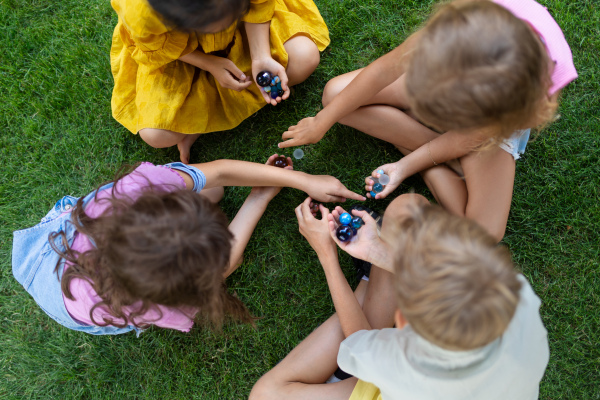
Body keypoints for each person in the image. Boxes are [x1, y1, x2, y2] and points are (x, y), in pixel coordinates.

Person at [279, 0, 578, 241]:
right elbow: (384, 70)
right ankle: (443, 155)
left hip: (493, 119)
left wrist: (406, 165)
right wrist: (322, 121)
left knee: (483, 234)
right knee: (335, 96)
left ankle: (425, 152)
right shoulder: (453, 31)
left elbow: (472, 135)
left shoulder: (515, 101)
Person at [12, 156, 364, 335]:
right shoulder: (140, 301)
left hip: (59, 236)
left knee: (214, 192)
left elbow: (221, 173)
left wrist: (303, 180)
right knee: (222, 240)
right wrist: (259, 196)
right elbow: (226, 263)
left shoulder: (134, 188)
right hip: (62, 293)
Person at [250, 194, 550, 400]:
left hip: (394, 388)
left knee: (265, 394)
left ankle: (367, 285)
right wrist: (376, 252)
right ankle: (371, 276)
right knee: (408, 208)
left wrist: (327, 255)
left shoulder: (413, 373)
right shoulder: (518, 301)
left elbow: (362, 342)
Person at [110, 0, 330, 163]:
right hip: (184, 54)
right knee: (156, 134)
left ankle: (201, 120)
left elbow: (259, 4)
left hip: (250, 27)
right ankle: (205, 114)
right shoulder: (141, 14)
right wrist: (208, 63)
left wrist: (260, 55)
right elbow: (158, 47)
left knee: (304, 57)